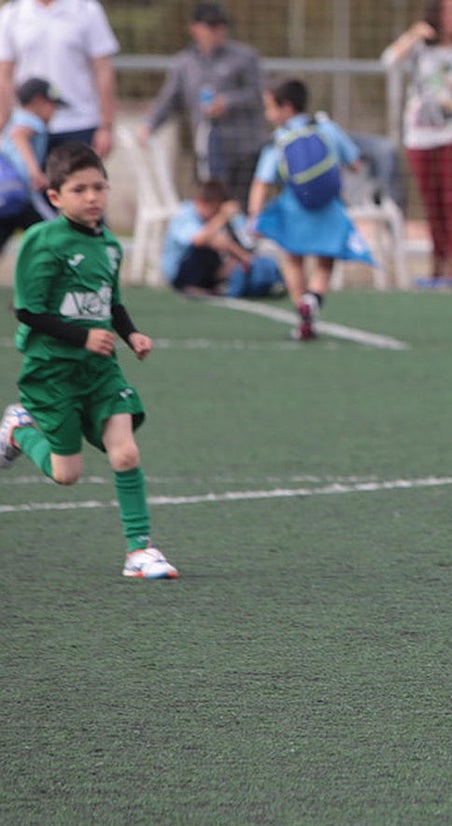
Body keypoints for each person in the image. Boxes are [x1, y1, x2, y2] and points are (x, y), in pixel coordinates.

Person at [0, 142, 177, 579]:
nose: (92, 197)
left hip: (99, 371)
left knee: (126, 453)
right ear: (56, 197)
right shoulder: (43, 241)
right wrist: (82, 337)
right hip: (52, 370)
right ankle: (19, 430)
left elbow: (110, 302)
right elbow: (27, 311)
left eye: (99, 187)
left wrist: (130, 333)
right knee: (66, 475)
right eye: (79, 189)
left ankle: (140, 551)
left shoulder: (111, 246)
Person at [247, 78, 371, 341]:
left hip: (294, 208)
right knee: (326, 261)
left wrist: (254, 216)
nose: (269, 115)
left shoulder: (279, 140)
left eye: (271, 108)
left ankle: (302, 308)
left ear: (287, 107)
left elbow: (262, 182)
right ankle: (314, 298)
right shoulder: (327, 128)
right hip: (329, 206)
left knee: (293, 259)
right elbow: (355, 164)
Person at [382, 0, 452, 282]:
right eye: (447, 12)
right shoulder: (419, 49)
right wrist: (414, 35)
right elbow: (389, 61)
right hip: (421, 136)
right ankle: (437, 259)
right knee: (432, 203)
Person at [137, 2, 265, 207]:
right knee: (211, 207)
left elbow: (258, 94)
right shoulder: (184, 64)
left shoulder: (244, 58)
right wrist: (149, 126)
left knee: (240, 207)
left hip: (244, 150)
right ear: (194, 28)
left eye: (221, 26)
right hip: (208, 151)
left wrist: (227, 102)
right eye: (211, 26)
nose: (217, 32)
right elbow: (169, 100)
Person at [0, 0, 119, 158]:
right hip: (30, 127)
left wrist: (106, 126)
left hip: (79, 123)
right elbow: (4, 74)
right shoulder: (13, 13)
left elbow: (103, 70)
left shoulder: (87, 10)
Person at [0, 77, 63, 254]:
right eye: (52, 105)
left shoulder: (16, 118)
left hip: (7, 193)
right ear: (38, 102)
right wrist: (34, 171)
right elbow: (19, 136)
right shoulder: (31, 120)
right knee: (53, 232)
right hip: (23, 190)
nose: (55, 111)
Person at [161, 178, 255, 296]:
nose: (215, 215)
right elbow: (197, 240)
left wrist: (243, 257)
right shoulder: (185, 214)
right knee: (204, 247)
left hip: (202, 266)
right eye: (214, 210)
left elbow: (226, 240)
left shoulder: (207, 221)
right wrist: (222, 216)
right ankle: (193, 285)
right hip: (178, 272)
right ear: (201, 202)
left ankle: (216, 281)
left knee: (227, 254)